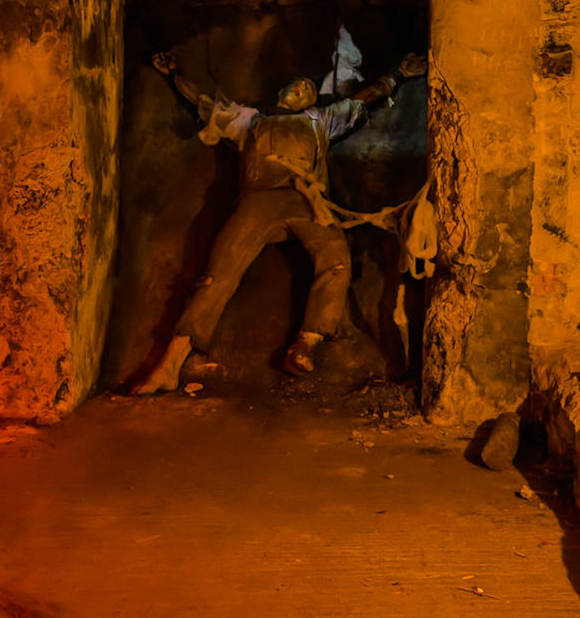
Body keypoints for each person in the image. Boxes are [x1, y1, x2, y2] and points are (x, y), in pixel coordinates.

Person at [134, 47, 428, 393]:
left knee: (336, 260)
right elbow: (204, 103)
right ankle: (170, 364)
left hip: (307, 201)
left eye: (307, 88)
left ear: (312, 100)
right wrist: (174, 74)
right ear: (280, 94)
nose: (300, 89)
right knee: (216, 276)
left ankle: (308, 342)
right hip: (257, 204)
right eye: (295, 85)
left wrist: (399, 75)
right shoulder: (252, 122)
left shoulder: (319, 120)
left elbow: (366, 96)